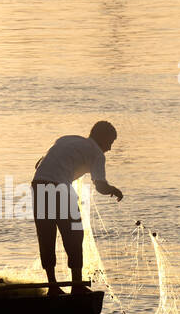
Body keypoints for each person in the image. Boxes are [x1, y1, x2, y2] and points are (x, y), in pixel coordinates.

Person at [31, 121, 124, 296]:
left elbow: (42, 162)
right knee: (74, 234)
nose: (110, 149)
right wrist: (114, 190)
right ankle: (76, 285)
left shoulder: (67, 139)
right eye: (110, 143)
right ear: (102, 138)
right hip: (59, 188)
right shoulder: (97, 154)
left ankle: (52, 286)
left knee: (46, 235)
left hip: (38, 184)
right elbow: (100, 186)